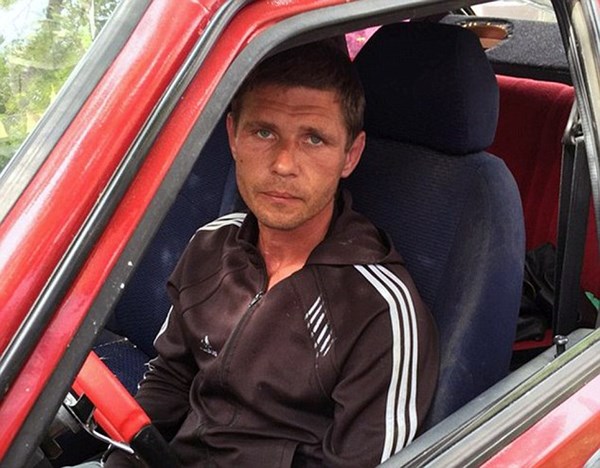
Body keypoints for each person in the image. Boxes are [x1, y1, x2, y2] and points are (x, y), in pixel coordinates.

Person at [104, 40, 438, 467]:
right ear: (233, 137)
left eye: (314, 139)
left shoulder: (380, 311)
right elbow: (170, 379)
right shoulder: (211, 244)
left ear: (350, 155)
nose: (283, 164)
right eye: (264, 132)